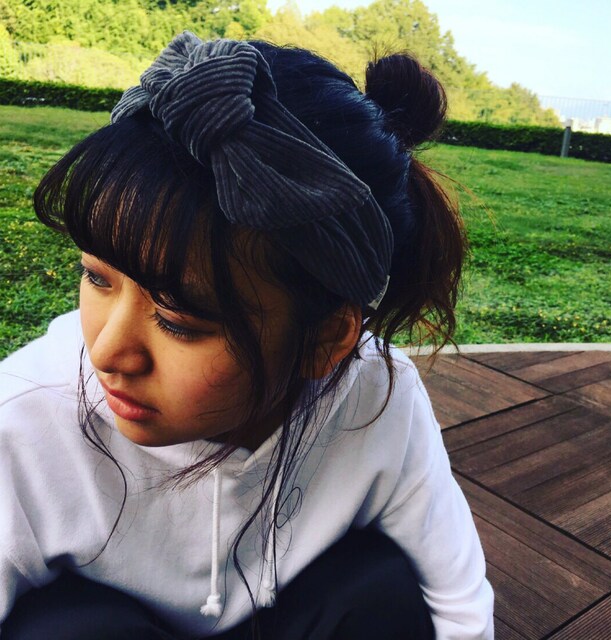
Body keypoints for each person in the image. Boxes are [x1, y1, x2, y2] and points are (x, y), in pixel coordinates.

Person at [0, 33, 494, 639]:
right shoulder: (23, 423)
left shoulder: (375, 398)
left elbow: (458, 601)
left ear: (326, 339)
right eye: (97, 278)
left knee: (378, 587)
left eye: (179, 322)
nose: (106, 353)